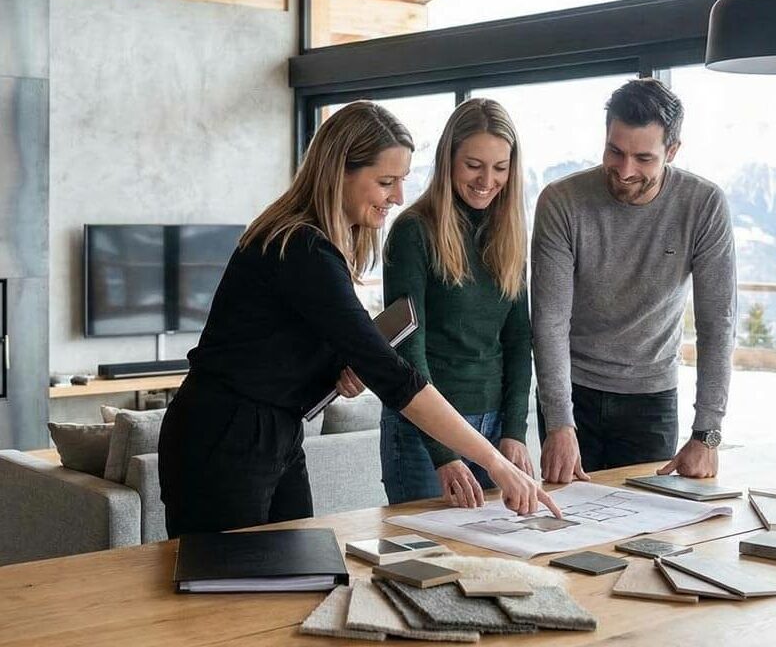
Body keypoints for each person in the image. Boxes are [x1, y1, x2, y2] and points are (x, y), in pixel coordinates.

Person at [158, 101, 560, 537]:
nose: (398, 197)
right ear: (339, 172)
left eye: (401, 181)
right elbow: (396, 377)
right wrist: (495, 462)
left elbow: (276, 343)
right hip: (224, 434)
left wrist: (334, 369)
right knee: (224, 594)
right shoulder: (301, 246)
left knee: (296, 576)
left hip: (276, 430)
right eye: (385, 181)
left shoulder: (318, 245)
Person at [531, 78, 736, 484]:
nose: (625, 171)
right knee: (565, 524)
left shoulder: (704, 205)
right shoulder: (562, 202)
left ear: (672, 151)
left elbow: (718, 323)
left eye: (643, 158)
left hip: (652, 398)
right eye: (615, 151)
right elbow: (549, 321)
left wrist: (707, 434)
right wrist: (559, 422)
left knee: (646, 532)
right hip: (574, 392)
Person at [380, 98, 533, 508]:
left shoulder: (510, 234)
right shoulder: (413, 231)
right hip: (422, 433)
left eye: (500, 168)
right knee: (426, 562)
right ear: (449, 159)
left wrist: (515, 431)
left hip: (495, 424)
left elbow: (519, 341)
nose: (487, 180)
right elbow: (406, 347)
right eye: (474, 165)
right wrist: (443, 453)